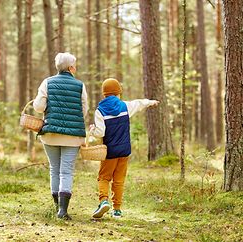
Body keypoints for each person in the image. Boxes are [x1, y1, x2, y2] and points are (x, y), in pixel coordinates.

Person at [89, 78, 159, 219]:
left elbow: (100, 133)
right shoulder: (125, 106)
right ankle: (117, 209)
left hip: (110, 152)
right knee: (119, 180)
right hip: (124, 150)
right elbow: (139, 103)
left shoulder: (100, 111)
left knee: (104, 177)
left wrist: (92, 130)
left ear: (104, 95)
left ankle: (103, 201)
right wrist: (151, 102)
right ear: (118, 93)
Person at [33, 52, 88, 220]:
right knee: (66, 171)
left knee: (54, 169)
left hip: (50, 135)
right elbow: (83, 110)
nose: (76, 67)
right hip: (72, 137)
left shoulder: (47, 82)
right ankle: (63, 211)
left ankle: (57, 207)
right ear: (70, 67)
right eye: (75, 64)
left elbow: (39, 107)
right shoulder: (80, 85)